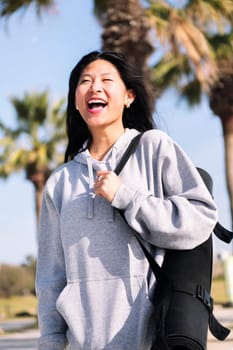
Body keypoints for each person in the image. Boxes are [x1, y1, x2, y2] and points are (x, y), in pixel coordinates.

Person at [35, 50, 218, 350]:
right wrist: (51, 341)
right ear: (76, 101)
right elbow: (51, 276)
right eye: (84, 81)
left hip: (151, 340)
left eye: (107, 80)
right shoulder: (60, 182)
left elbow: (201, 215)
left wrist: (126, 196)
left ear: (129, 96)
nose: (94, 87)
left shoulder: (154, 148)